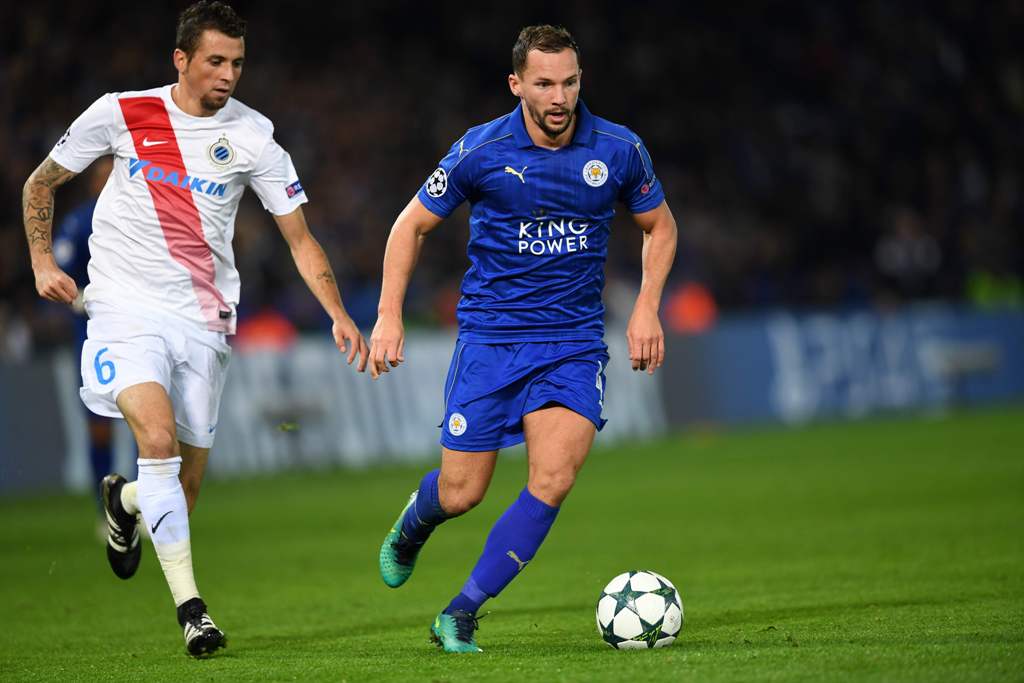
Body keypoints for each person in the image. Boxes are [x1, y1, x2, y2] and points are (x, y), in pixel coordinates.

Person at [23, 0, 368, 657]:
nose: (228, 74)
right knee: (154, 436)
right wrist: (42, 260)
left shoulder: (255, 137)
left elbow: (299, 238)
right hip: (123, 308)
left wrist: (339, 314)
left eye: (237, 62)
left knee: (177, 489)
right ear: (180, 59)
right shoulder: (121, 112)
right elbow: (41, 184)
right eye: (215, 60)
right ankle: (193, 612)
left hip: (205, 321)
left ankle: (124, 501)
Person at [369, 25, 677, 652]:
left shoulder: (619, 149)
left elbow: (660, 226)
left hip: (572, 342)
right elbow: (410, 226)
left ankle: (460, 612)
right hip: (491, 340)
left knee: (553, 479)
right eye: (543, 83)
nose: (559, 95)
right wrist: (388, 315)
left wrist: (647, 307)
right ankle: (415, 521)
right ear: (517, 84)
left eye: (568, 81)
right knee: (461, 494)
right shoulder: (481, 150)